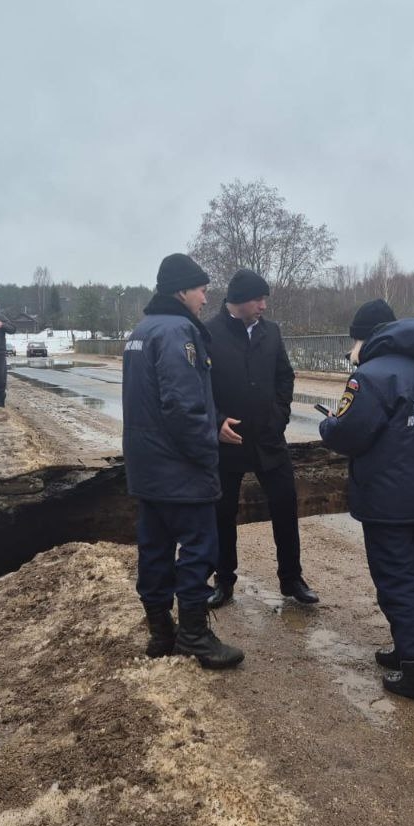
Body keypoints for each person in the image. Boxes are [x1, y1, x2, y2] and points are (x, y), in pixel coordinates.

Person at [319, 300, 414, 700]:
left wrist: (329, 422)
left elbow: (347, 433)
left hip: (387, 497)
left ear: (365, 337)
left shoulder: (371, 376)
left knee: (395, 578)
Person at [122, 252, 244, 670]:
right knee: (198, 548)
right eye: (201, 290)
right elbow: (181, 404)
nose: (205, 299)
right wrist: (207, 451)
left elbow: (153, 402)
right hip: (180, 469)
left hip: (146, 467)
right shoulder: (179, 333)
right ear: (181, 290)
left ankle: (161, 633)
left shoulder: (142, 330)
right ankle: (193, 634)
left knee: (154, 548)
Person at [205, 268, 318, 608]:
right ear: (237, 301)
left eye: (265, 298)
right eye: (258, 299)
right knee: (222, 513)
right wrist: (217, 422)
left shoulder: (271, 332)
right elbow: (199, 388)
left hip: (269, 439)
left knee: (285, 506)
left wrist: (279, 416)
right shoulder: (208, 333)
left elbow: (285, 376)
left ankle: (291, 579)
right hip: (229, 440)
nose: (264, 305)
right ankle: (223, 581)